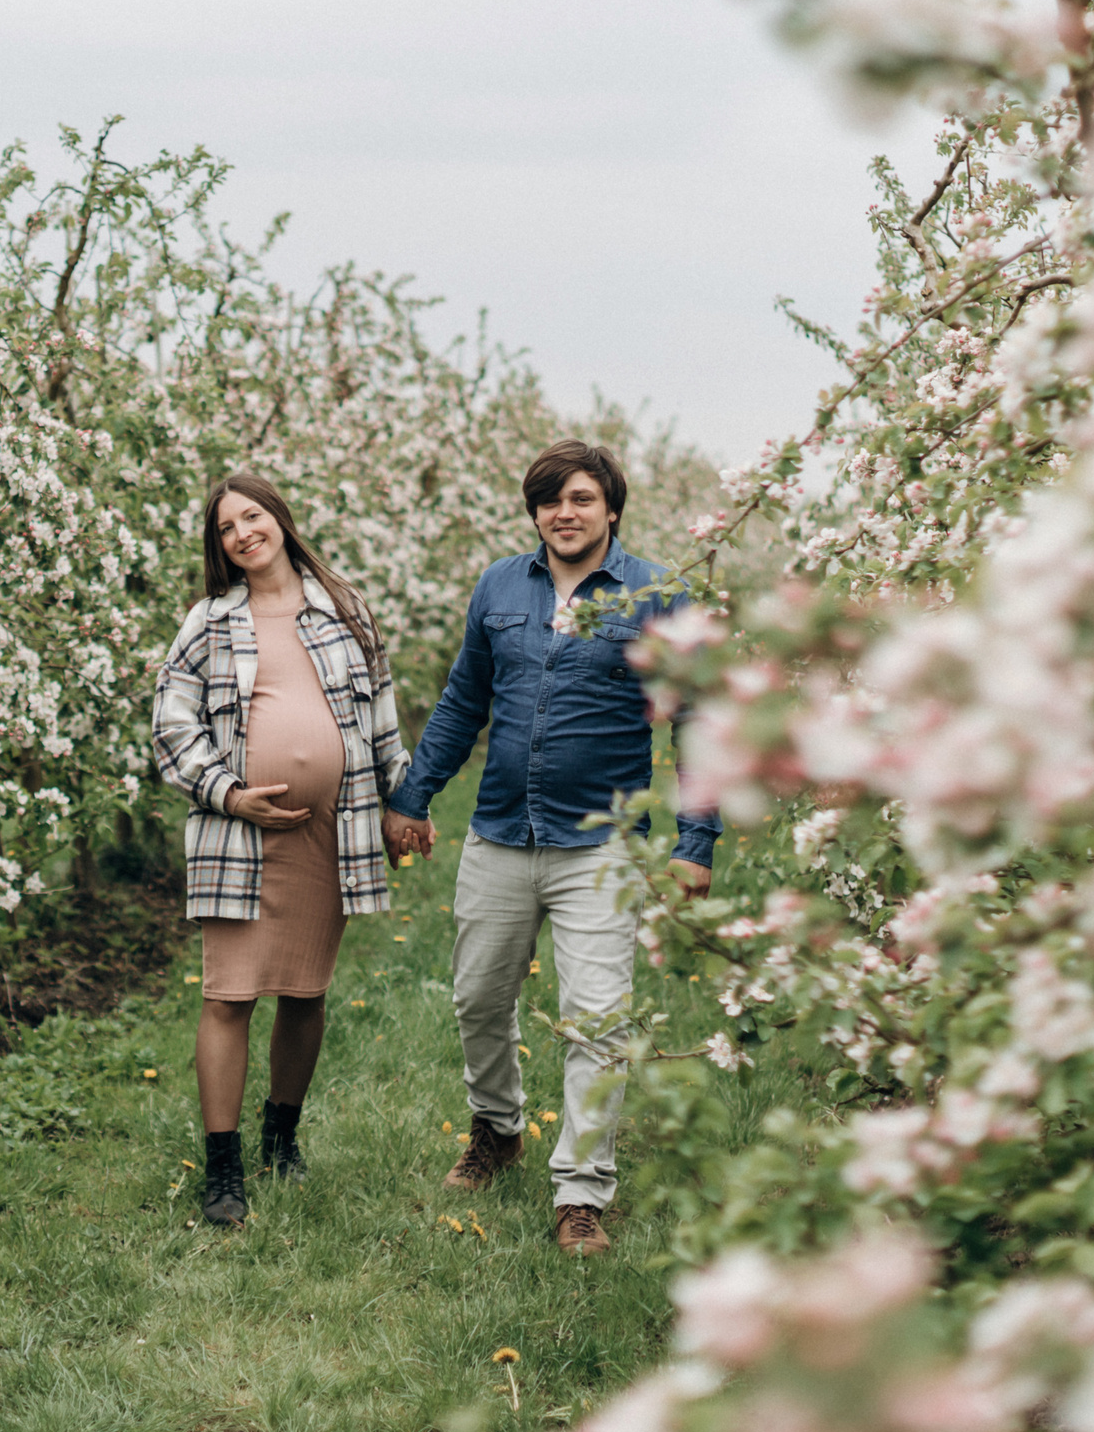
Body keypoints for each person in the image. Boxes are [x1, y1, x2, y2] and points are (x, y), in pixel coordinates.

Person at [383, 439, 719, 1258]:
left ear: (611, 508)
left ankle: (581, 1192)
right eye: (547, 500)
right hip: (501, 831)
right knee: (477, 1000)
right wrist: (412, 793)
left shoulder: (655, 596)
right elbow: (465, 699)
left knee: (596, 1020)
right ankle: (497, 1129)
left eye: (578, 499)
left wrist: (696, 839)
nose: (562, 513)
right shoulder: (501, 584)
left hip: (601, 845)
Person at [152, 472, 409, 1226]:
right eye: (226, 527)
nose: (242, 533)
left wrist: (403, 800)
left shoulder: (345, 609)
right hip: (238, 832)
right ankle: (224, 1165)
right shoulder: (208, 621)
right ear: (220, 546)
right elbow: (171, 723)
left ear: (280, 519)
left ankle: (282, 1136)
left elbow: (383, 714)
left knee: (305, 990)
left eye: (252, 516)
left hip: (331, 831)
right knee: (228, 993)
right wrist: (230, 793)